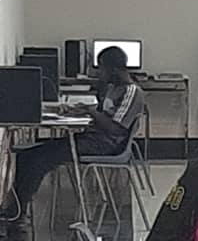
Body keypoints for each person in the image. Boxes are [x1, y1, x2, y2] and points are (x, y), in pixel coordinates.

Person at [1, 46, 144, 222]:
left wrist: (91, 112)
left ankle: (17, 215)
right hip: (91, 139)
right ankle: (15, 209)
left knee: (40, 160)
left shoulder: (131, 92)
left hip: (106, 145)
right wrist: (81, 110)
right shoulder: (112, 88)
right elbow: (104, 114)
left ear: (113, 69)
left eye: (101, 69)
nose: (99, 74)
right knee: (27, 156)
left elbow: (116, 128)